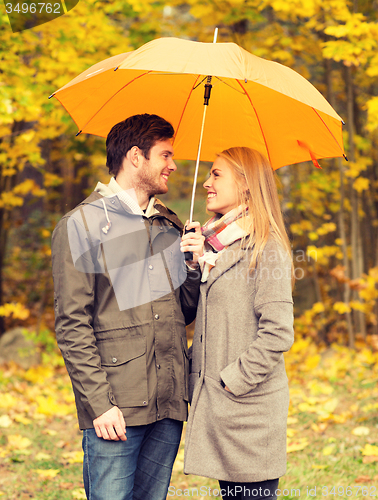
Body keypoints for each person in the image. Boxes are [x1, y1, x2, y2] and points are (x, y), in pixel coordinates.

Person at [51, 114, 204, 500]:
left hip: (168, 403)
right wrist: (99, 405)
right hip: (116, 408)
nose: (172, 165)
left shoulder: (169, 227)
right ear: (136, 157)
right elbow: (73, 326)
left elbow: (182, 313)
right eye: (165, 155)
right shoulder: (82, 225)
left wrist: (191, 267)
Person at [182, 147, 294, 500]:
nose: (206, 182)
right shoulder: (219, 246)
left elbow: (278, 332)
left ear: (246, 185)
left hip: (249, 411)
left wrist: (233, 381)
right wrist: (195, 264)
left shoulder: (267, 247)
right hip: (222, 409)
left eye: (216, 175)